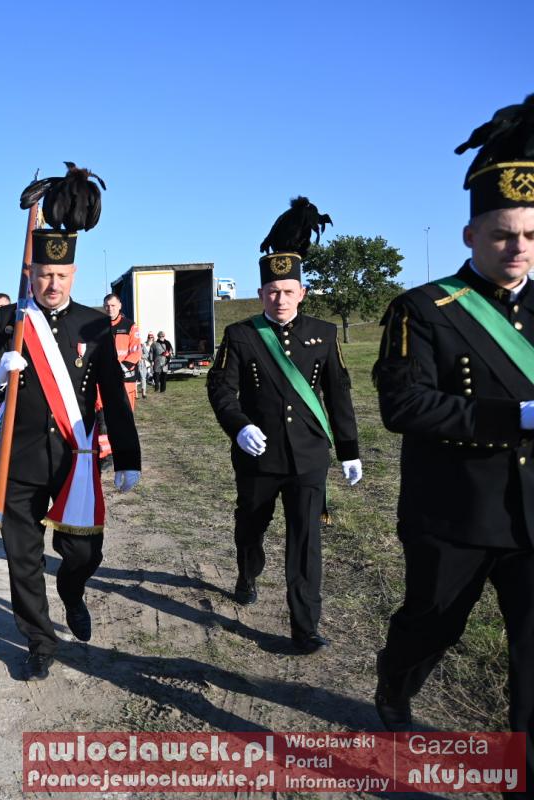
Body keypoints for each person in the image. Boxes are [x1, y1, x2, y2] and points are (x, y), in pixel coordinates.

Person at [372, 96, 534, 788]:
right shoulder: (423, 309)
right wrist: (515, 417)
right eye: (502, 234)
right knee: (431, 627)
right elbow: (403, 404)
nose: (518, 248)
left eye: (530, 234)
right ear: (470, 234)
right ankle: (395, 681)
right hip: (454, 513)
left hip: (530, 517)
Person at [0, 167, 140, 681]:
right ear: (32, 274)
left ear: (73, 276)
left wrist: (129, 457)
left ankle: (72, 592)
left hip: (75, 459)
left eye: (61, 277)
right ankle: (39, 640)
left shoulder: (94, 323)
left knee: (83, 552)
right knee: (21, 557)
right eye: (44, 276)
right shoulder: (10, 320)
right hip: (20, 458)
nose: (51, 285)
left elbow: (113, 394)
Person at [206, 197, 361, 654]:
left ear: (302, 293)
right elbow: (221, 388)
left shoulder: (323, 334)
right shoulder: (241, 335)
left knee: (306, 541)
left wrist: (349, 450)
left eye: (288, 291)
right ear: (261, 294)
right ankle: (247, 572)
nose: (280, 299)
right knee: (251, 526)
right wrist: (239, 426)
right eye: (272, 292)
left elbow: (339, 394)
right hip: (258, 455)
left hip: (309, 456)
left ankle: (305, 624)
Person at [103, 293, 141, 413]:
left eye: (113, 305)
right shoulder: (98, 327)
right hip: (105, 379)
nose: (110, 308)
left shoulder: (130, 326)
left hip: (125, 380)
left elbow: (136, 352)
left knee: (126, 416)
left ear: (120, 306)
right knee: (105, 417)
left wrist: (120, 368)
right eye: (107, 306)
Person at [139, 332, 153, 399]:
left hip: (141, 363)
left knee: (143, 378)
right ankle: (134, 394)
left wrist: (140, 356)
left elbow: (147, 354)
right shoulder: (130, 345)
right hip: (132, 363)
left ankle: (143, 393)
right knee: (134, 380)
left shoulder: (141, 345)